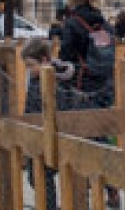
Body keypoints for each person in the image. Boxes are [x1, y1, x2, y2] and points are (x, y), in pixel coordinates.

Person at [21, 39, 76, 210]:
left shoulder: (58, 81)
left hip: (55, 133)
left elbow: (63, 105)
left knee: (46, 175)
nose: (29, 70)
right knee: (35, 177)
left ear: (44, 60)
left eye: (31, 65)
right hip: (36, 133)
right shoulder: (35, 79)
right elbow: (31, 105)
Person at [58, 0, 114, 108]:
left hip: (79, 87)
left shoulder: (72, 24)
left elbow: (65, 57)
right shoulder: (105, 26)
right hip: (105, 87)